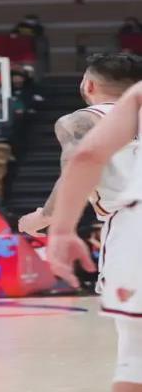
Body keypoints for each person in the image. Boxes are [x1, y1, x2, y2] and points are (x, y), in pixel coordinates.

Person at [48, 80, 142, 392]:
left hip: (132, 221)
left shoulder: (134, 96)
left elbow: (86, 155)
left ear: (88, 85)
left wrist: (62, 229)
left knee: (135, 357)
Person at [19, 54, 142, 246]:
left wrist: (44, 216)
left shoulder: (83, 120)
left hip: (130, 220)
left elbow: (77, 170)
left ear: (89, 85)